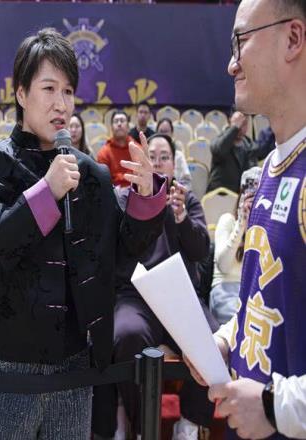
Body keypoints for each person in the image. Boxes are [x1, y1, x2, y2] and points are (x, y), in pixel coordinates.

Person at [0, 28, 167, 439]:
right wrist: (46, 192)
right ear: (21, 93)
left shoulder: (89, 172)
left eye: (68, 91)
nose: (61, 104)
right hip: (12, 360)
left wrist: (146, 198)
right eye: (49, 88)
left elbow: (120, 255)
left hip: (76, 362)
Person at [186, 1, 306, 439]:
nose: (231, 63)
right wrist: (225, 340)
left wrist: (277, 407)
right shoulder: (269, 168)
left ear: (293, 38)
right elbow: (261, 297)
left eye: (241, 40)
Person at [93, 134, 217, 440]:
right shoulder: (123, 198)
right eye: (152, 157)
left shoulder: (185, 200)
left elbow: (201, 251)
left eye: (164, 157)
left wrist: (182, 219)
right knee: (126, 335)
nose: (158, 163)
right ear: (140, 162)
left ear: (174, 164)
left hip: (179, 297)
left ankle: (189, 421)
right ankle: (137, 423)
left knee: (213, 342)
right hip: (134, 296)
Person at [209, 167, 260, 325]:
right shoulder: (228, 221)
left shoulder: (265, 229)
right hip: (224, 291)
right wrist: (241, 224)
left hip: (252, 294)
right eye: (249, 193)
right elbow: (223, 266)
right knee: (246, 322)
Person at [207, 110, 256, 193]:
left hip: (241, 195)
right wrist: (234, 128)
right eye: (238, 123)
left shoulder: (249, 145)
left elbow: (252, 174)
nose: (240, 128)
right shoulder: (221, 140)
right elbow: (218, 150)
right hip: (219, 194)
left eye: (244, 124)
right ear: (230, 122)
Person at [97, 110, 136, 187]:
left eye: (122, 121)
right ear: (111, 127)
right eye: (116, 121)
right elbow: (103, 181)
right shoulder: (104, 153)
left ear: (128, 126)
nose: (119, 124)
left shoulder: (137, 149)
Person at [156, 117, 193, 189]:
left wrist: (178, 190)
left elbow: (187, 182)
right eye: (161, 131)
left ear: (172, 134)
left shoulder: (179, 156)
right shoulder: (150, 156)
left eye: (166, 131)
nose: (163, 135)